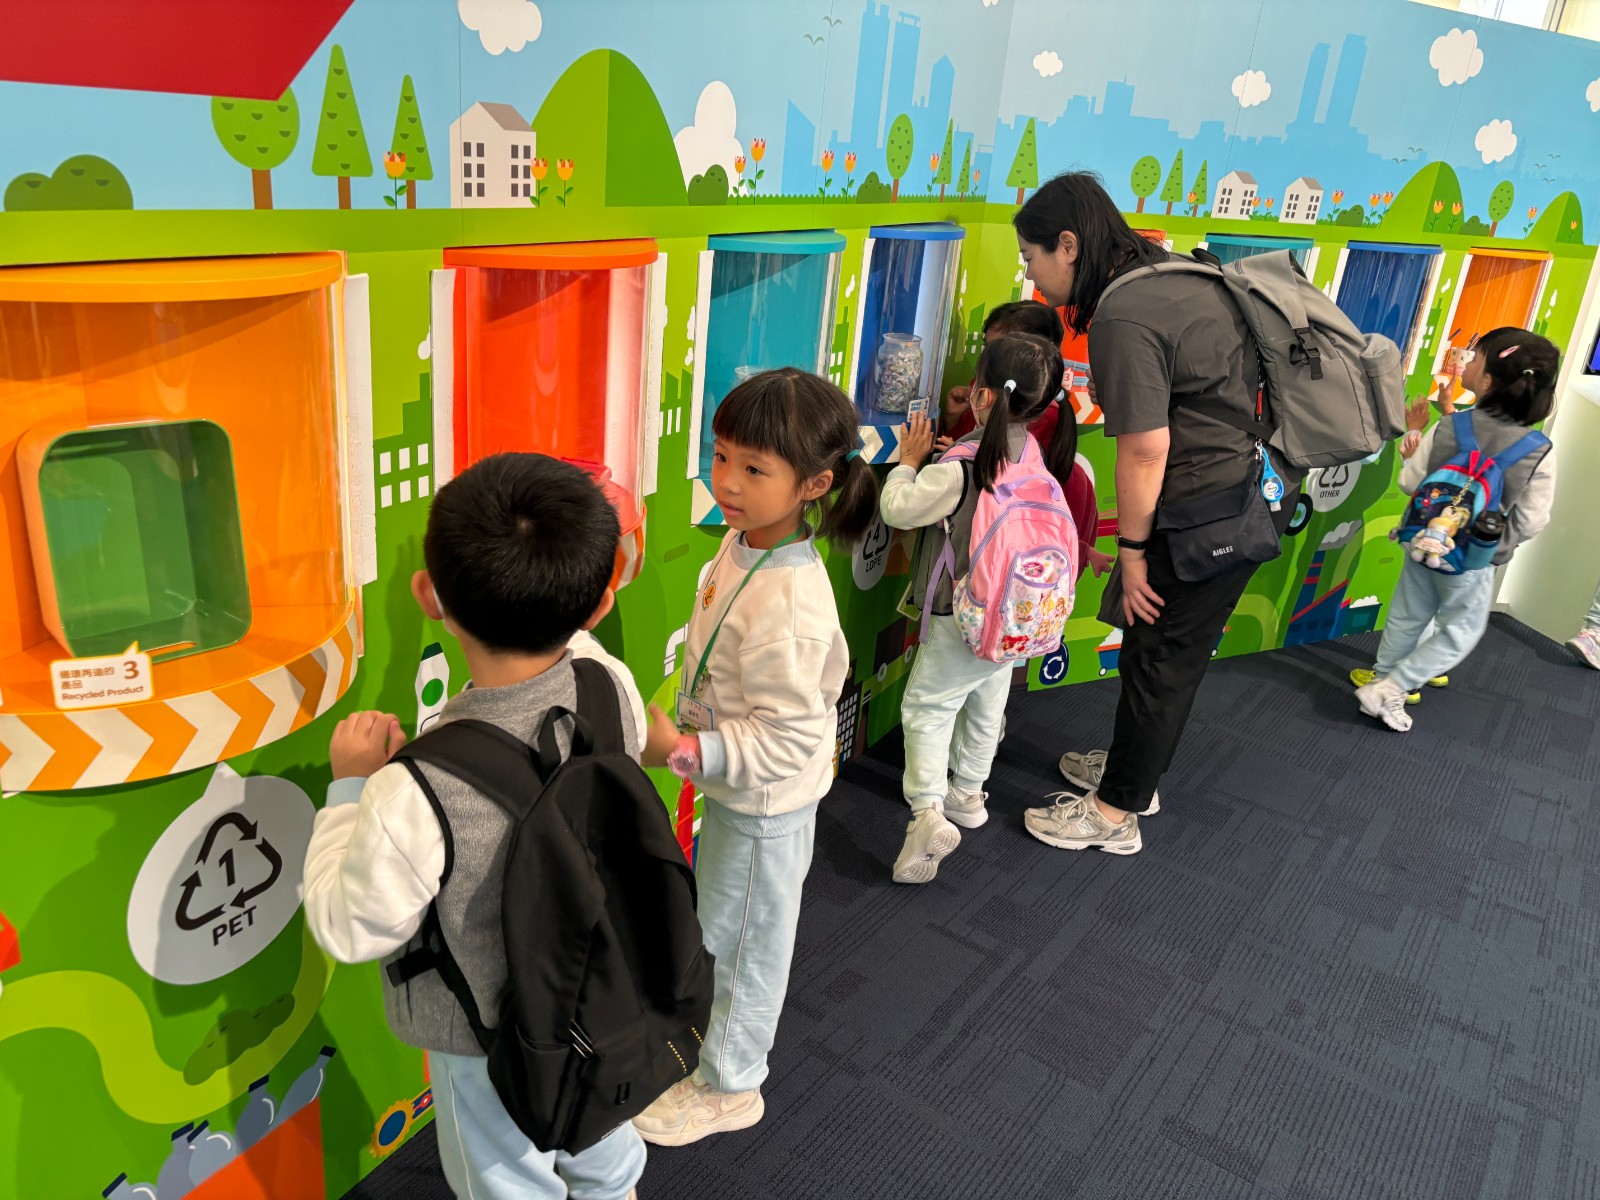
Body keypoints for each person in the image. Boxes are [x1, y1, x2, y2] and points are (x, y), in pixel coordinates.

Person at [301, 453, 647, 1200]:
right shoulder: (610, 684)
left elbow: (352, 928)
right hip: (603, 984)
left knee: (504, 1173)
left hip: (484, 1035)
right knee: (601, 1115)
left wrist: (349, 790)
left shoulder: (413, 787)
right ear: (599, 605)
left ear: (429, 596)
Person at [1011, 170, 1300, 855]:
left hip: (1210, 509)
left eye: (1031, 258)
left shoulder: (1124, 312)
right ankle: (1133, 773)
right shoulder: (1170, 272)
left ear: (1069, 246)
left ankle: (1116, 814)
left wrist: (1134, 553)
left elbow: (1145, 450)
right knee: (1160, 648)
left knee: (1162, 654)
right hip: (1246, 487)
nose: (1030, 276)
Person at [633, 369, 877, 1145]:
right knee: (720, 929)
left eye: (753, 468)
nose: (728, 482)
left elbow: (790, 736)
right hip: (734, 789)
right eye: (721, 456)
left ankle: (732, 1086)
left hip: (766, 804)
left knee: (745, 944)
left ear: (814, 485)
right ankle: (712, 1053)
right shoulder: (743, 546)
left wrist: (685, 747)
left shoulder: (791, 602)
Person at [882, 332, 1078, 882]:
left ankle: (927, 814)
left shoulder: (961, 468)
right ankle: (968, 793)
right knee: (989, 699)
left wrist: (909, 462)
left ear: (982, 395)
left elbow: (898, 509)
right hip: (1018, 619)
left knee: (929, 707)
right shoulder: (1032, 455)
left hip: (961, 614)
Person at [1355, 328, 1559, 730]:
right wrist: (1496, 546)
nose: (1465, 363)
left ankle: (1382, 682)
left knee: (1407, 616)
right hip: (1472, 559)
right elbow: (1533, 519)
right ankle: (1392, 689)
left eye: (1474, 358)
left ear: (1487, 381)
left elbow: (1411, 483)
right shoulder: (1537, 450)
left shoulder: (1450, 426)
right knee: (1460, 632)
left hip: (1420, 541)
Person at [942, 300, 1112, 579]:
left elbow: (1000, 482)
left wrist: (960, 460)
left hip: (1007, 569)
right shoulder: (991, 397)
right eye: (988, 349)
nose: (988, 362)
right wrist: (952, 419)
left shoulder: (1039, 425)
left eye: (999, 351)